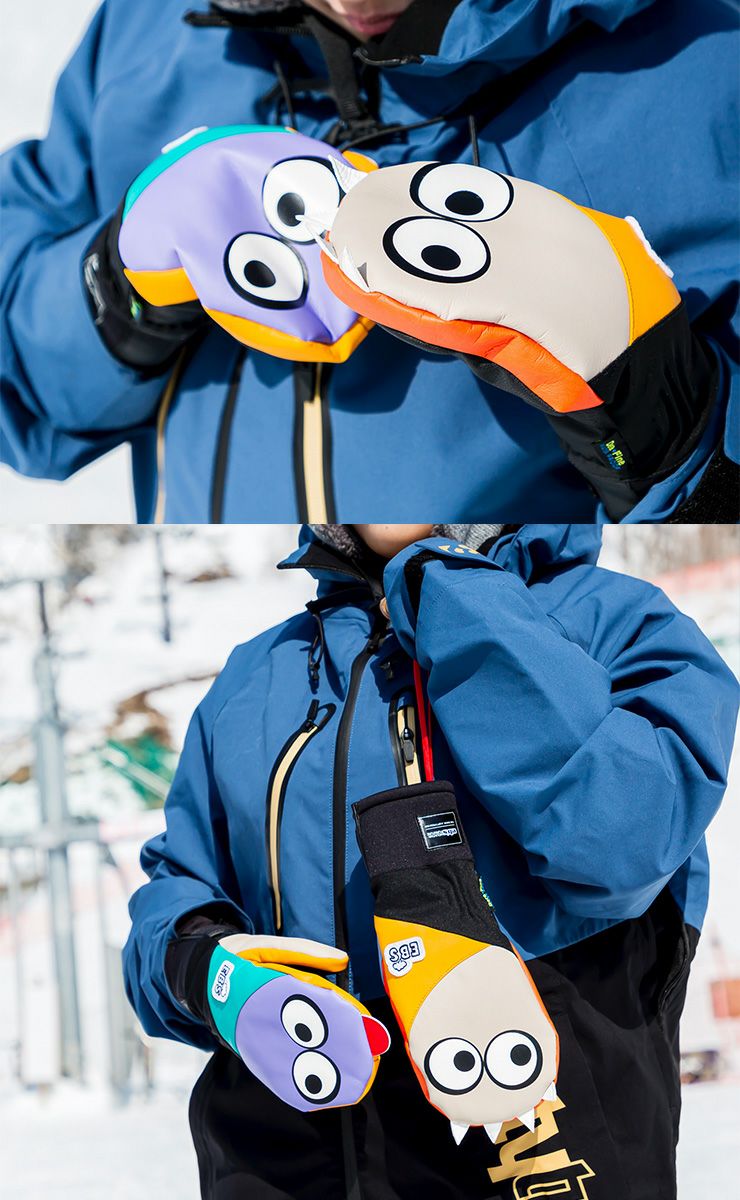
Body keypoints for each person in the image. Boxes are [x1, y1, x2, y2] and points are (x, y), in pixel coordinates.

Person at [123, 522, 739, 1200]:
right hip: (282, 1160)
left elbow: (622, 844)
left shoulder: (612, 620)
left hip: (534, 1139)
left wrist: (449, 588)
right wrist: (203, 968)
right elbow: (178, 886)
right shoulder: (257, 673)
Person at [2, 1, 737, 522]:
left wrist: (662, 422)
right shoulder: (145, 28)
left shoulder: (708, 58)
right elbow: (19, 388)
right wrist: (115, 284)